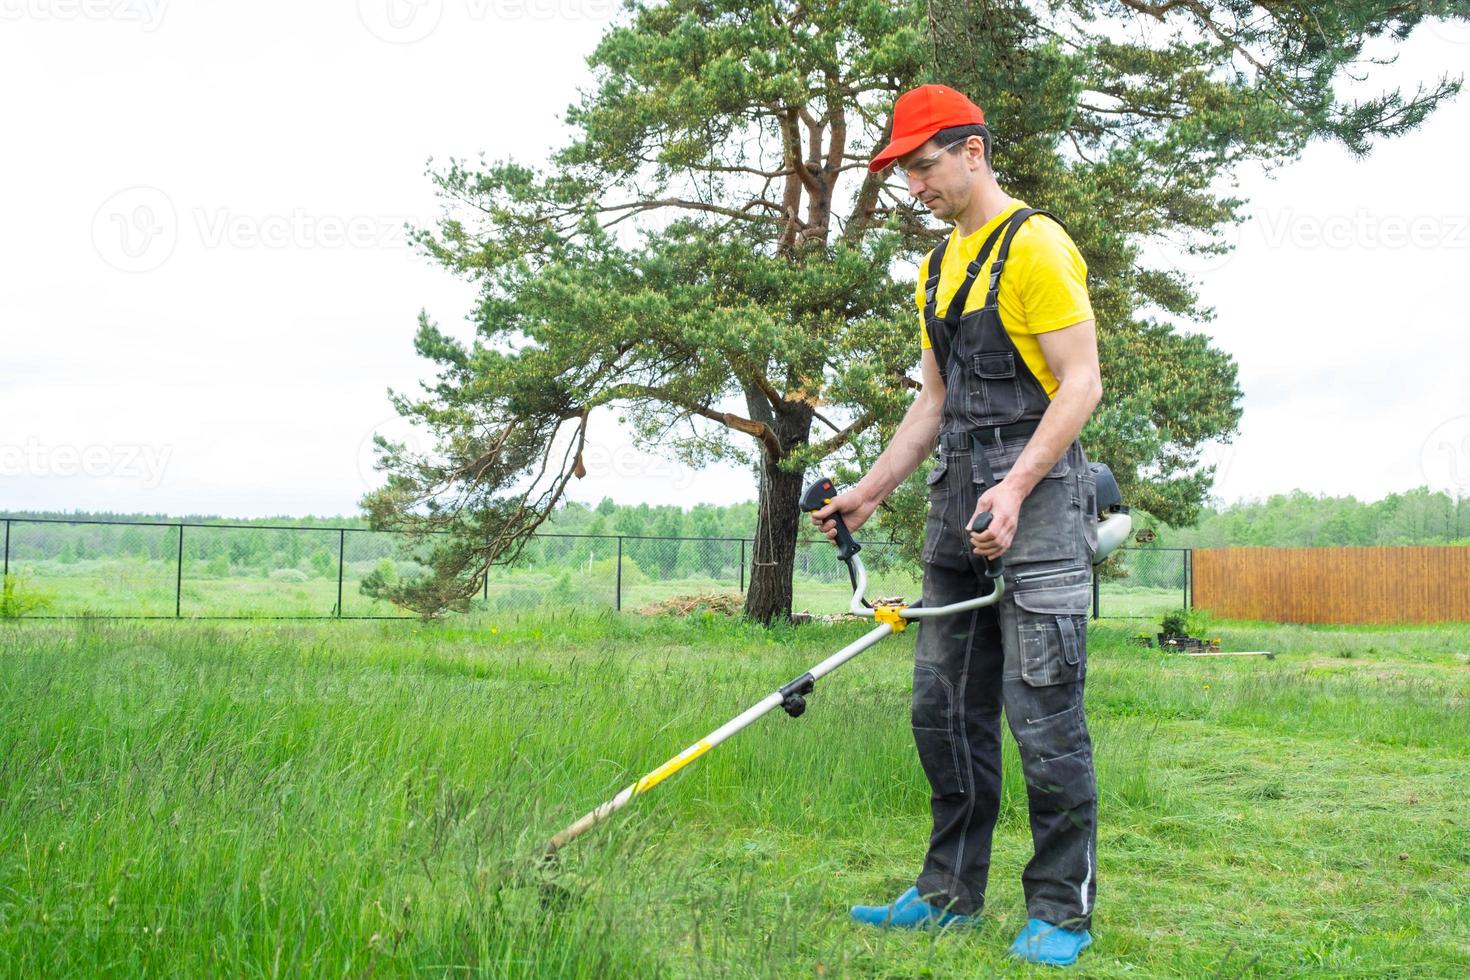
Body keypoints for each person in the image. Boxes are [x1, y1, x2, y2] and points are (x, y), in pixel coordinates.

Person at [810, 84, 1103, 968]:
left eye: (923, 164)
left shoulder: (1037, 248)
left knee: (1043, 713)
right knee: (943, 710)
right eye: (902, 170)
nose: (912, 185)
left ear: (973, 150)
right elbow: (933, 403)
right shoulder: (937, 269)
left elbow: (1081, 384)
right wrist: (868, 490)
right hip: (955, 505)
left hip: (1039, 502)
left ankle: (1060, 908)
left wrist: (1014, 490)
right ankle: (946, 894)